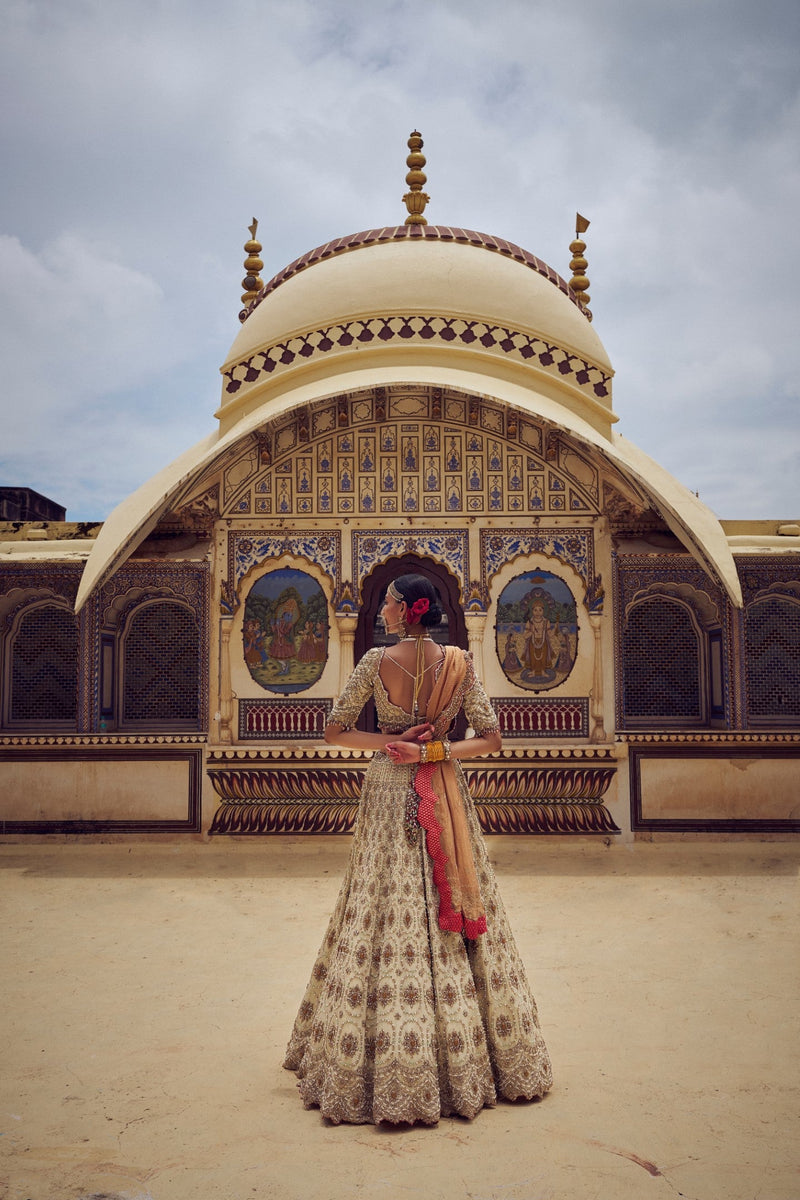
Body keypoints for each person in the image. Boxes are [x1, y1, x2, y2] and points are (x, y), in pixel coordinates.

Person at [283, 574, 552, 1125]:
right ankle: (469, 1059)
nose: (381, 611)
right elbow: (491, 739)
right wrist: (432, 750)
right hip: (443, 786)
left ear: (406, 610)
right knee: (447, 891)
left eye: (387, 603)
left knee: (379, 902)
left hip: (388, 790)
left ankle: (368, 1059)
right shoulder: (459, 663)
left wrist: (393, 745)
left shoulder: (374, 665)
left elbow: (334, 732)